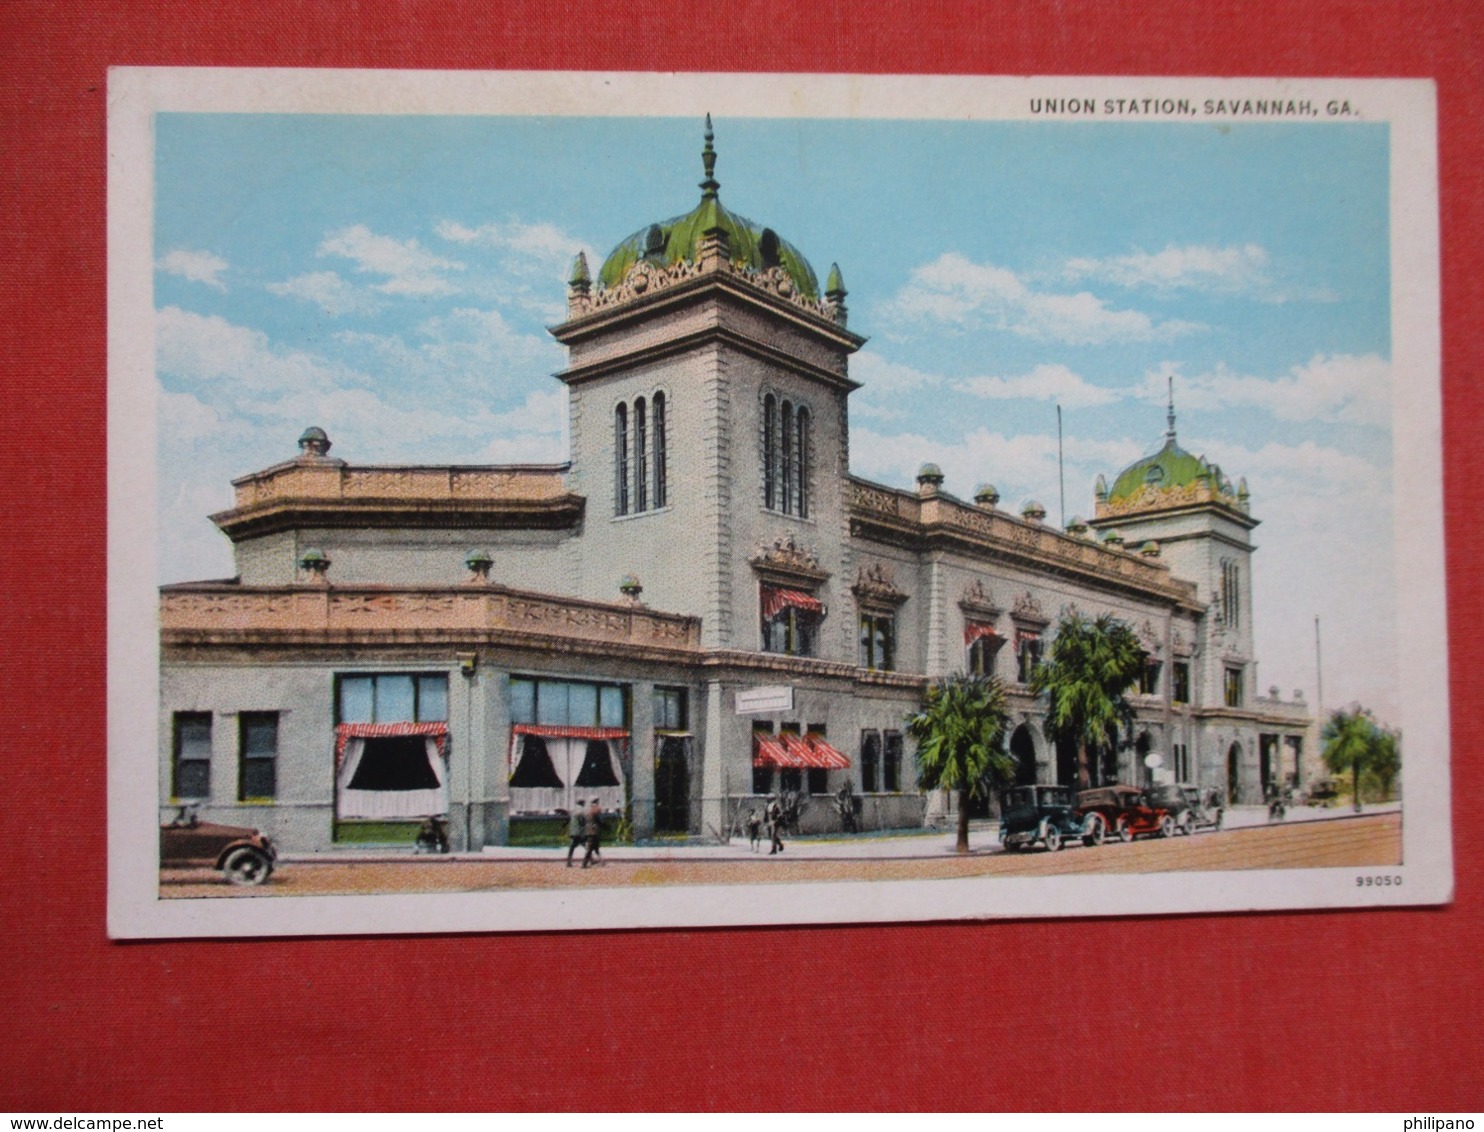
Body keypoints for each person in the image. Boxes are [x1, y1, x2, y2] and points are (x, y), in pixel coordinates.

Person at [582, 798, 603, 868]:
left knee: (595, 846)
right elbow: (598, 819)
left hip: (588, 829)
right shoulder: (596, 808)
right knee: (591, 847)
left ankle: (598, 860)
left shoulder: (587, 809)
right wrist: (605, 826)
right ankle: (584, 863)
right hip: (593, 830)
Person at [566, 800, 586, 867]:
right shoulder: (581, 811)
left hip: (573, 831)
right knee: (586, 845)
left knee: (572, 846)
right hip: (579, 832)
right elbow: (582, 822)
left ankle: (569, 861)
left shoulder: (573, 810)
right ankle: (589, 860)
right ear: (582, 803)